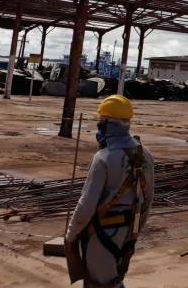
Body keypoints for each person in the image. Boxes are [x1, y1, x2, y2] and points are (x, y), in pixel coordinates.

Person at [65, 95, 154, 288]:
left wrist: (71, 235)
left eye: (100, 123)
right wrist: (135, 232)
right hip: (129, 232)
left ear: (107, 125)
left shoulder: (103, 158)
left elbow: (86, 205)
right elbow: (148, 200)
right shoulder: (145, 154)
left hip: (102, 233)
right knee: (115, 280)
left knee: (101, 283)